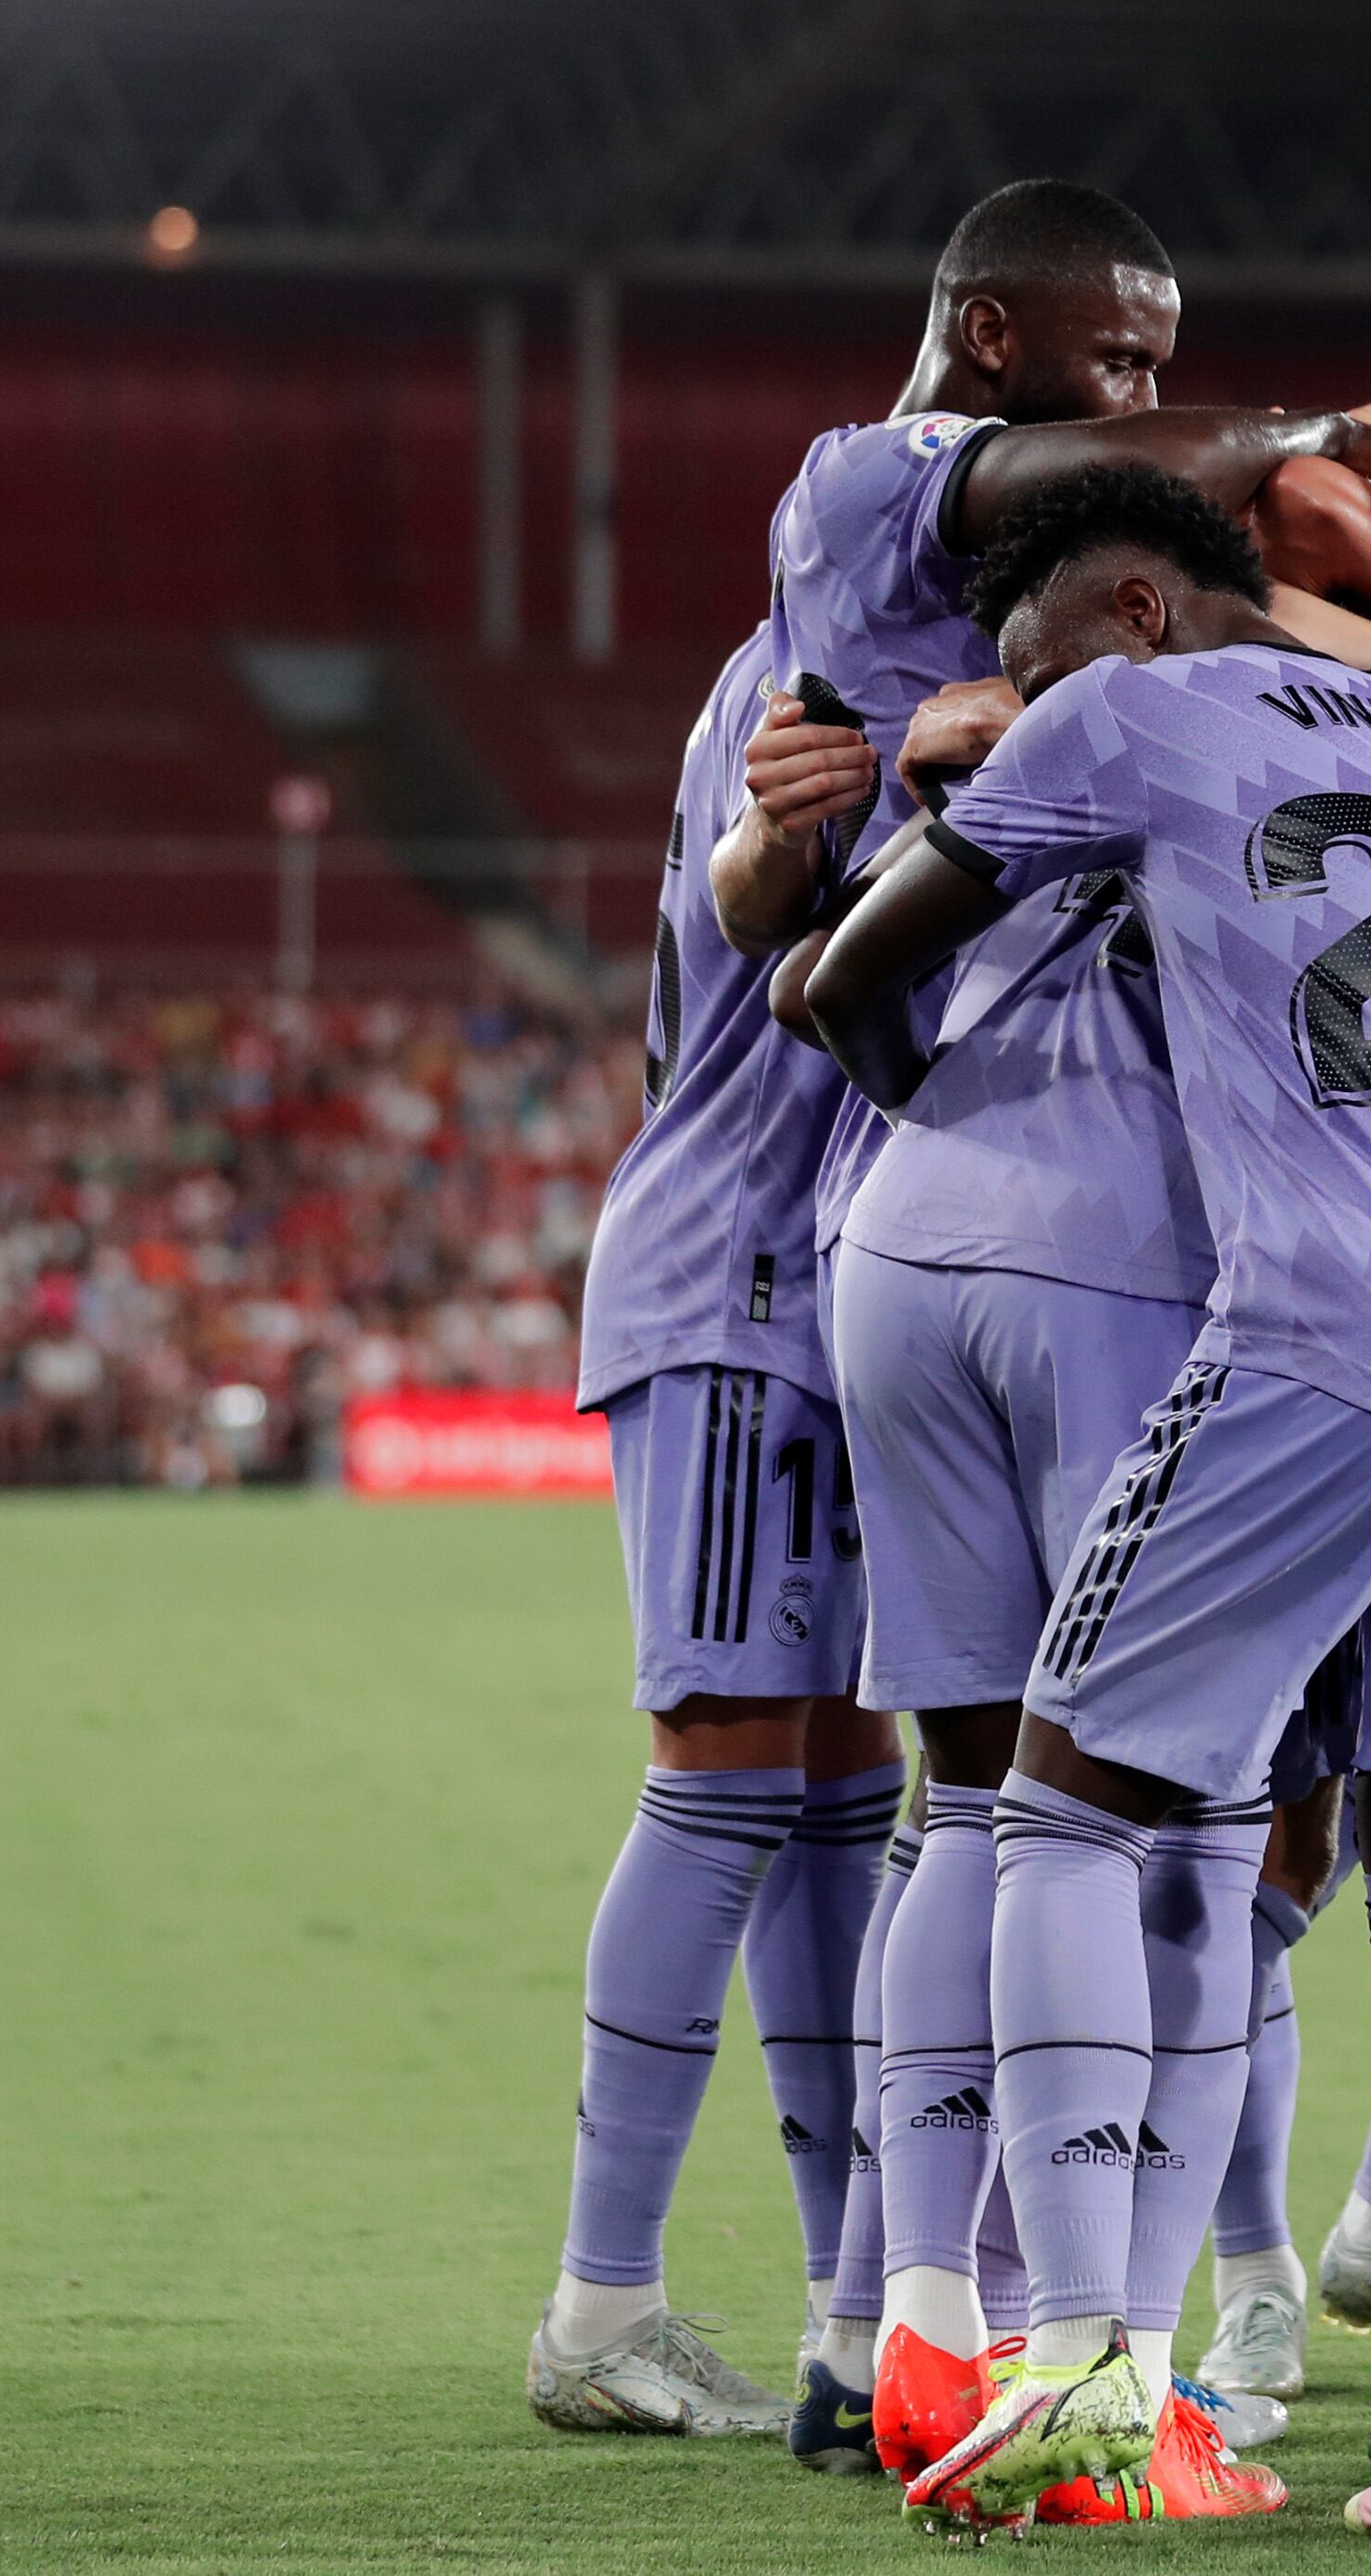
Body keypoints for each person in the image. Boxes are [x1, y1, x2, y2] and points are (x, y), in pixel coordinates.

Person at [799, 464, 1371, 2557]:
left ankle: (1078, 2338)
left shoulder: (1128, 712)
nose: (1015, 703)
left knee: (1062, 1803)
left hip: (1330, 1326)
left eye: (1031, 656)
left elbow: (840, 975)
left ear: (1136, 606)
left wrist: (938, 1105)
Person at [715, 173, 1371, 2514]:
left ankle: (924, 2324)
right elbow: (1138, 504)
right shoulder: (909, 507)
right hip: (1123, 1248)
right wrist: (1330, 441)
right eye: (1116, 357)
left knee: (969, 1806)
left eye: (1164, 365)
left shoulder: (1007, 692)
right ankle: (1114, 2363)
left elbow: (820, 964)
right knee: (1172, 1826)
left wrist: (951, 1125)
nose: (1145, 403)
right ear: (991, 330)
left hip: (914, 1228)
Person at [526, 622, 909, 2451]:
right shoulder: (828, 677)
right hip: (742, 1280)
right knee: (730, 1770)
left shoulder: (843, 653)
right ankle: (600, 2306)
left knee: (847, 1783)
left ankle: (853, 2308)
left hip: (833, 1286)